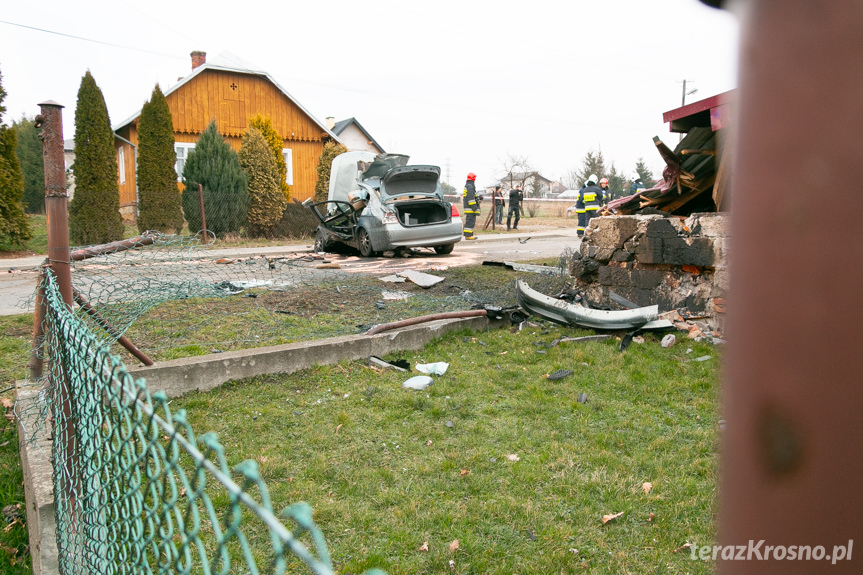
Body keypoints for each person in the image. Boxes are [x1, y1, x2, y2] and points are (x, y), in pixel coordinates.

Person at [462, 172, 480, 240]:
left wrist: (478, 198)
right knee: (470, 221)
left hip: (469, 207)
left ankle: (469, 234)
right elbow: (470, 198)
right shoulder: (470, 186)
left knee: (470, 221)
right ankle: (468, 235)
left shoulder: (469, 185)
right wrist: (474, 206)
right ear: (473, 178)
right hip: (470, 208)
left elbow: (472, 196)